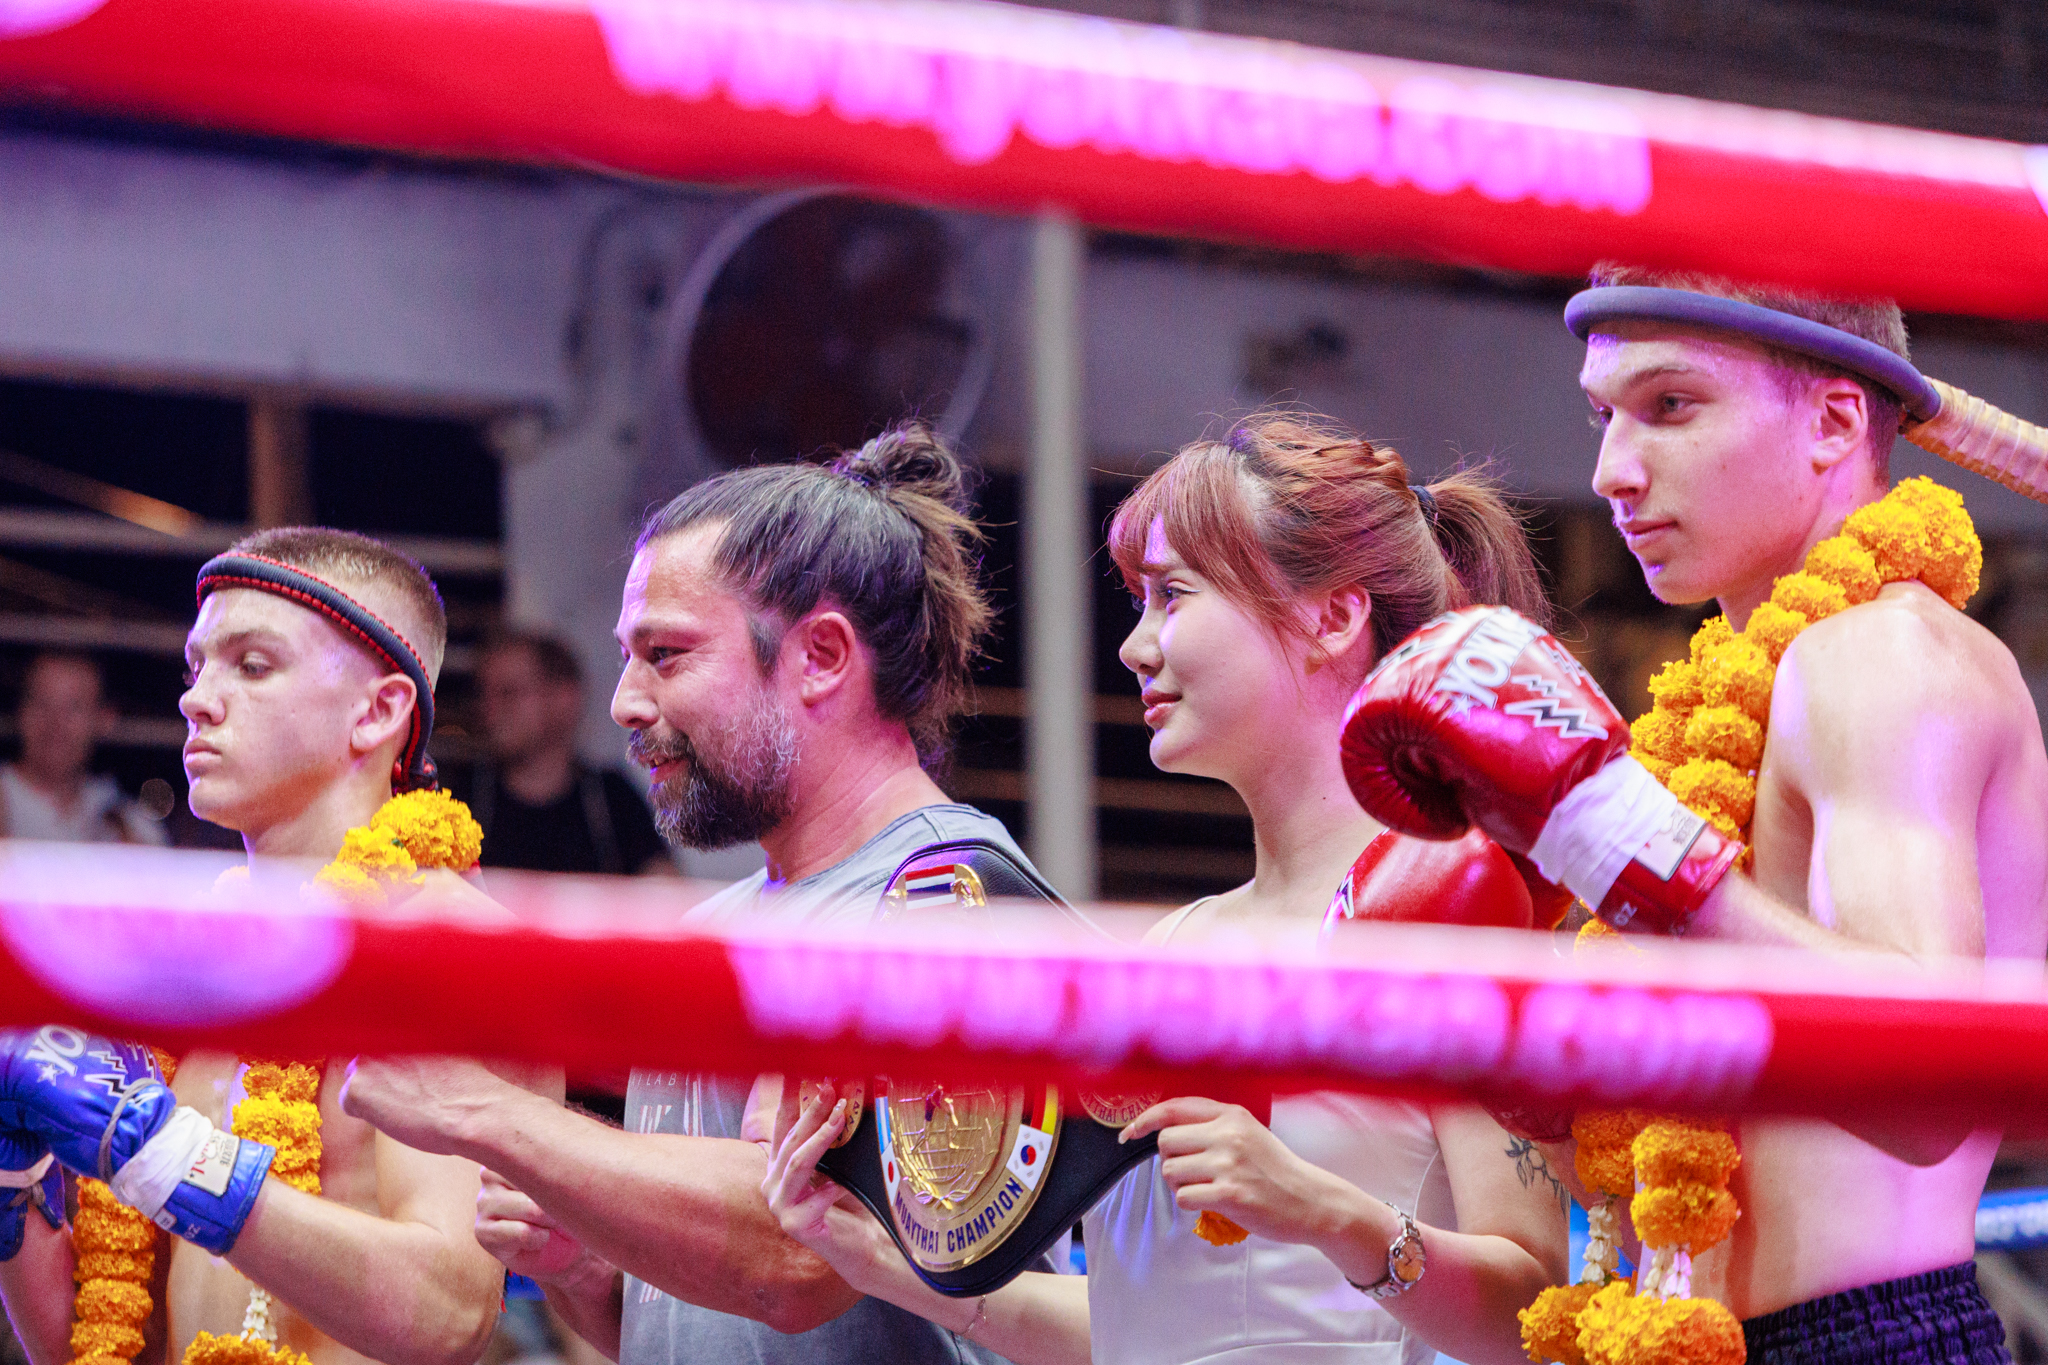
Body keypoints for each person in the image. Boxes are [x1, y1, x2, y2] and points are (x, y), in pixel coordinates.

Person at [1342, 268, 2048, 1365]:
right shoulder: (1712, 715)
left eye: (1670, 405)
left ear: (1829, 419)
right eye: (1602, 414)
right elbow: (1691, 1166)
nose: (1611, 472)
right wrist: (1510, 1058)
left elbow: (1925, 1092)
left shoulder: (1879, 657)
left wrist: (1611, 838)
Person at [763, 412, 1571, 1365]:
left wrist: (1327, 1212)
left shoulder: (1450, 911)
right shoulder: (1164, 951)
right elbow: (1138, 1328)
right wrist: (879, 1262)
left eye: (1171, 596)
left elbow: (1541, 1312)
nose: (1134, 647)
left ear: (1333, 617)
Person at [338, 422, 1054, 1365]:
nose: (625, 701)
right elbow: (705, 1322)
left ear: (823, 657)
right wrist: (589, 1270)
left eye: (666, 655)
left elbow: (798, 1260)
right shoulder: (716, 929)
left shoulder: (953, 903)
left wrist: (481, 1111)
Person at [0, 527, 523, 1365]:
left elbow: (450, 1312)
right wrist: (16, 1189)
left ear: (379, 710)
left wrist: (172, 1158)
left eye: (251, 664)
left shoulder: (442, 935)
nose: (197, 698)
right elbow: (97, 1344)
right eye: (195, 667)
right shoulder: (189, 953)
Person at [455, 629, 670, 877]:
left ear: (564, 699)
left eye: (509, 693)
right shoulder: (465, 797)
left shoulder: (611, 801)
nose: (488, 709)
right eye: (483, 694)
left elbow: (666, 897)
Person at [1, 650, 165, 845]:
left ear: (105, 719)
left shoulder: (127, 822)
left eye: (74, 708)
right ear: (20, 711)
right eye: (41, 703)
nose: (55, 723)